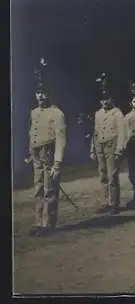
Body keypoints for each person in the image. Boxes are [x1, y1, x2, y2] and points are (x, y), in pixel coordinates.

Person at [28, 81, 67, 236]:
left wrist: (57, 163)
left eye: (44, 93)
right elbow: (31, 133)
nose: (41, 96)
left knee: (49, 188)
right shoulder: (34, 112)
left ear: (50, 94)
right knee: (38, 188)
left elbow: (61, 139)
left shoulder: (57, 113)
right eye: (38, 93)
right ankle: (38, 222)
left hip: (49, 153)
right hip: (36, 153)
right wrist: (29, 152)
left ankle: (48, 224)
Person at [90, 79, 126, 215]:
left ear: (111, 99)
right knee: (103, 175)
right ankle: (107, 201)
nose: (104, 102)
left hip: (112, 146)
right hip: (100, 146)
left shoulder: (117, 113)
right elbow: (95, 132)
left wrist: (119, 149)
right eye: (102, 100)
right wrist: (92, 148)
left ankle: (114, 203)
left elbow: (122, 133)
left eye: (107, 99)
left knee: (112, 175)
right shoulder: (98, 113)